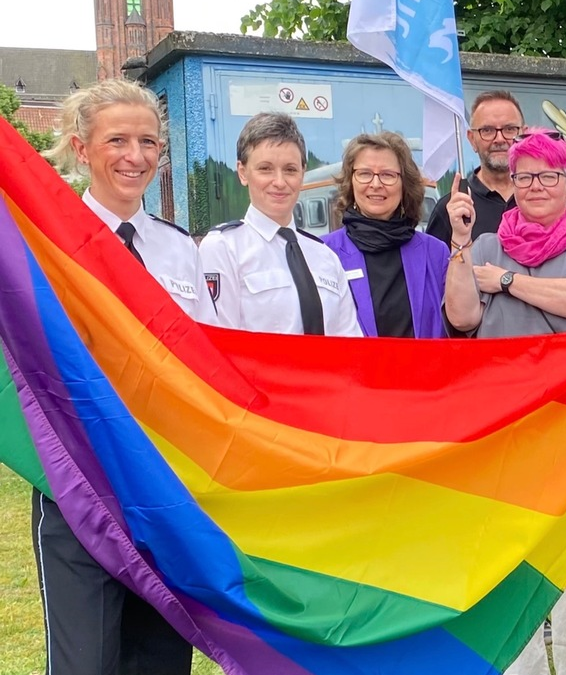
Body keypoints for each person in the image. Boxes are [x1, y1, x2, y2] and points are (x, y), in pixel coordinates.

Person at [36, 77, 212, 675]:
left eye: (148, 142)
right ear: (82, 149)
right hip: (77, 483)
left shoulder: (179, 249)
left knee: (161, 657)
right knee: (87, 660)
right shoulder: (41, 245)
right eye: (117, 140)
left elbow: (205, 362)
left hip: (163, 483)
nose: (135, 157)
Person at [443, 129, 566, 675]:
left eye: (549, 175)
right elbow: (462, 317)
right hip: (508, 435)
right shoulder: (483, 244)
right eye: (525, 176)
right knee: (509, 576)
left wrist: (505, 280)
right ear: (513, 183)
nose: (536, 186)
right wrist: (460, 248)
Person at [199, 112, 360, 337]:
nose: (279, 182)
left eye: (290, 170)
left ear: (303, 173)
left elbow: (349, 343)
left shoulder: (325, 257)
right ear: (243, 173)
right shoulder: (224, 248)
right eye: (265, 169)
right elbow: (220, 344)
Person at [321, 132, 449, 338]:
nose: (376, 184)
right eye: (364, 173)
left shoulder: (436, 253)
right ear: (350, 182)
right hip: (355, 370)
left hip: (423, 370)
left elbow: (460, 325)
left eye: (388, 175)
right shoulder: (324, 253)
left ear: (404, 184)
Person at [426, 91, 523, 245]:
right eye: (487, 130)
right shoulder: (452, 209)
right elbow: (434, 268)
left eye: (509, 129)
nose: (499, 139)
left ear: (523, 134)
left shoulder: (544, 199)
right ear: (472, 139)